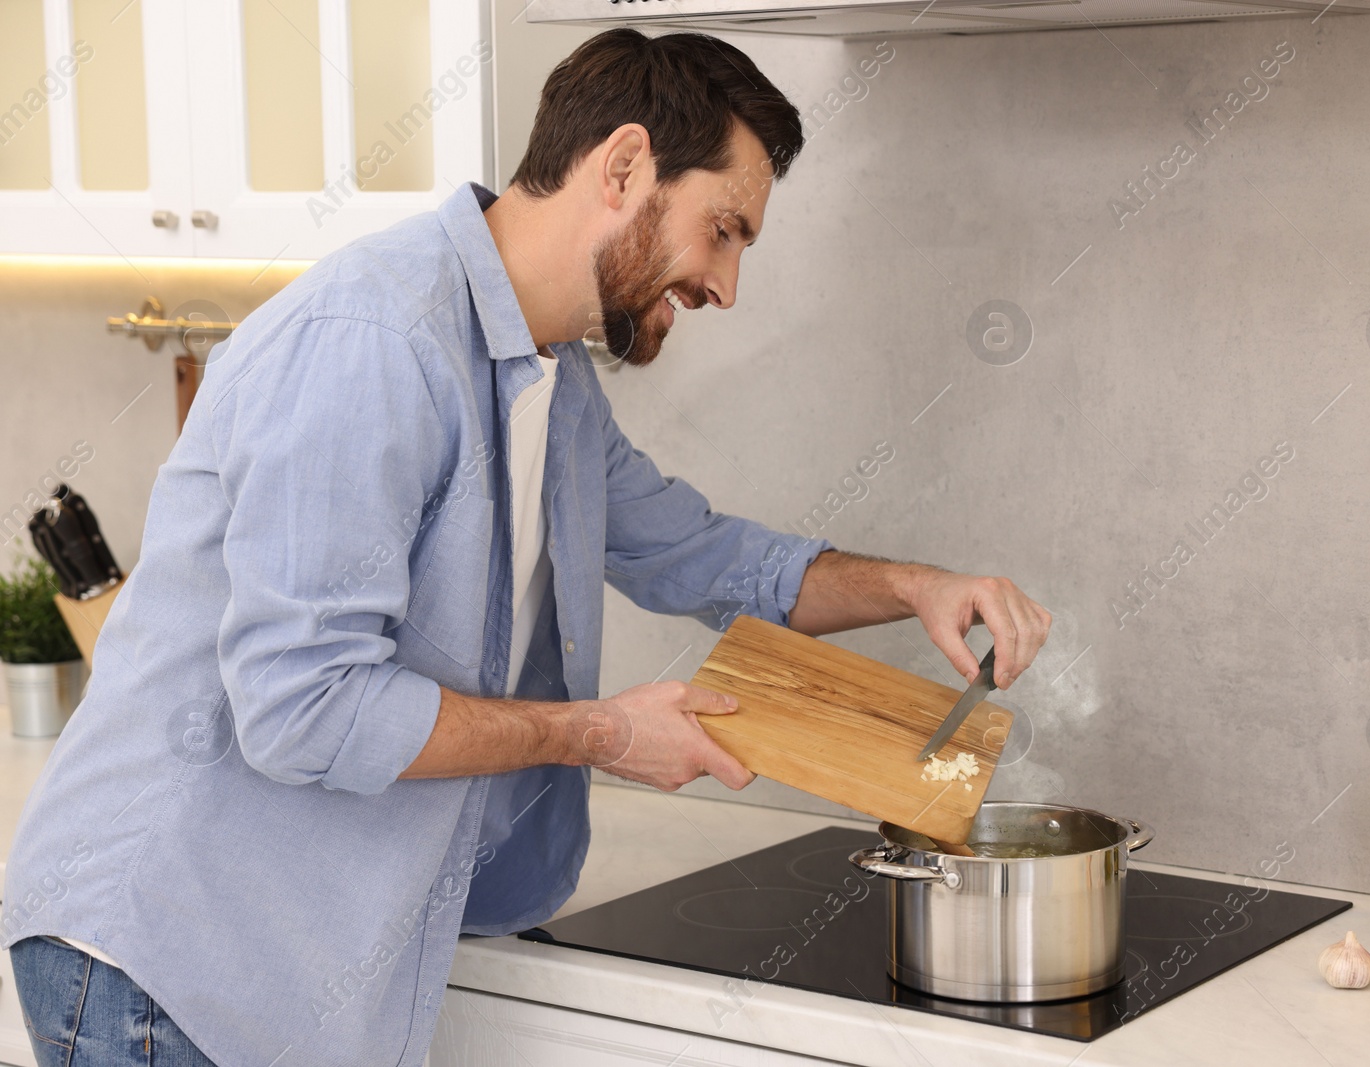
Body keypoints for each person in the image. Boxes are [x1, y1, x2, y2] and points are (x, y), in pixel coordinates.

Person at [2, 29, 1051, 1067]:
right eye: (722, 230)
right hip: (165, 960)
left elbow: (705, 556)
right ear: (625, 166)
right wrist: (599, 731)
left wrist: (917, 586)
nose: (726, 286)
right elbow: (303, 704)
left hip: (281, 961)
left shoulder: (553, 380)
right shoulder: (375, 341)